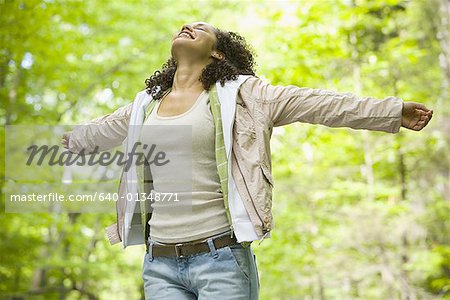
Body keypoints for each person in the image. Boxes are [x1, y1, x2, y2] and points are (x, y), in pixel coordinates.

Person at [62, 21, 433, 299]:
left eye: (201, 28)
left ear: (218, 53)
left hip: (220, 259)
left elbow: (318, 103)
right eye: (185, 25)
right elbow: (94, 133)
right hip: (159, 265)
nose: (188, 26)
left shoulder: (245, 96)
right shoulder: (145, 104)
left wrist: (392, 112)